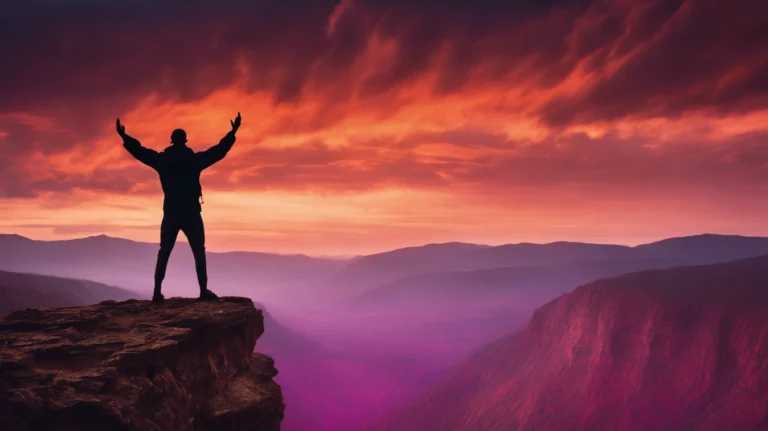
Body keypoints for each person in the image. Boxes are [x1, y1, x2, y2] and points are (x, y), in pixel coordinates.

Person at [116, 113, 242, 302]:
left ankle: (157, 292)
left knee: (164, 251)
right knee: (199, 252)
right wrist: (232, 132)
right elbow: (219, 151)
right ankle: (203, 291)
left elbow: (139, 151)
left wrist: (124, 137)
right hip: (191, 212)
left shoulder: (162, 161)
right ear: (185, 141)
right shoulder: (194, 160)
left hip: (171, 212)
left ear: (171, 141)